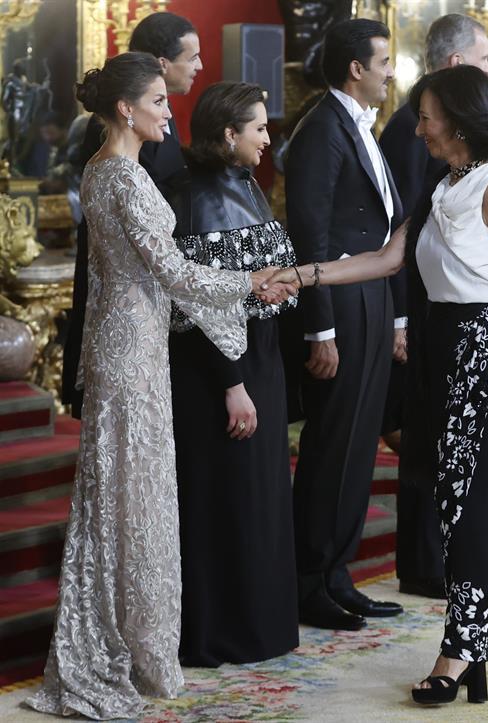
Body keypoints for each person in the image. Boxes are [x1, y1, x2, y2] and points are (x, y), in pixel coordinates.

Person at [268, 64, 488, 706]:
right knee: (453, 500)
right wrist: (303, 276)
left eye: (426, 115)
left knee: (471, 503)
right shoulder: (440, 182)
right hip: (441, 348)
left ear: (455, 120)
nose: (418, 125)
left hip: (485, 347)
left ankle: (461, 651)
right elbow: (389, 259)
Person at [25, 52, 288, 720]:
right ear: (125, 109)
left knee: (128, 498)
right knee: (129, 502)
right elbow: (174, 271)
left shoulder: (106, 171)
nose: (169, 111)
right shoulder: (122, 178)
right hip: (132, 349)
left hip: (129, 342)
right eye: (158, 102)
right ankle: (125, 646)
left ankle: (139, 642)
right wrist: (247, 282)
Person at [167, 82, 299, 667]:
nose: (268, 138)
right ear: (229, 134)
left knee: (259, 498)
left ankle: (258, 627)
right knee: (226, 502)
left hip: (259, 361)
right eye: (259, 128)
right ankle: (220, 633)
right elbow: (197, 310)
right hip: (221, 374)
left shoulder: (245, 182)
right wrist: (234, 384)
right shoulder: (196, 198)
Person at [283, 17, 404, 632]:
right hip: (338, 304)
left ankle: (337, 574)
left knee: (360, 444)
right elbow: (310, 234)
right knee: (334, 442)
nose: (391, 71)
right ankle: (309, 580)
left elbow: (384, 224)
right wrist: (319, 330)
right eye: (384, 61)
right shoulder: (320, 129)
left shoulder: (358, 124)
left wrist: (398, 313)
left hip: (372, 295)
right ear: (357, 67)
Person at [379, 12, 488, 601]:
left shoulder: (476, 161)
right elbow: (396, 232)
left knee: (447, 437)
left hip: (452, 309)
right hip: (421, 308)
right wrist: (399, 319)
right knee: (426, 434)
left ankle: (443, 559)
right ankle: (426, 564)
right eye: (485, 59)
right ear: (455, 66)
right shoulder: (410, 129)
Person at [61, 11, 202, 418]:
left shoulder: (150, 126)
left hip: (146, 304)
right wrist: (250, 281)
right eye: (192, 57)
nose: (199, 66)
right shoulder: (114, 151)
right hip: (128, 304)